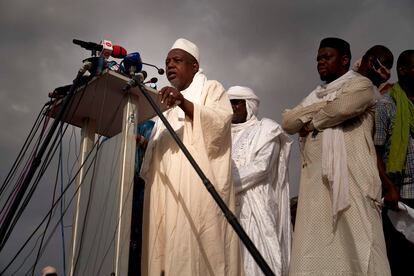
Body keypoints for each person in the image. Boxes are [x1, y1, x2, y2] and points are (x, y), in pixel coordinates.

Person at [282, 38, 393, 275]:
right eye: (319, 58)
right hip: (317, 182)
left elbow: (341, 109)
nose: (321, 62)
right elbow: (289, 121)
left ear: (344, 60)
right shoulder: (316, 94)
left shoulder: (362, 85)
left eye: (327, 57)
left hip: (354, 177)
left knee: (362, 243)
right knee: (316, 244)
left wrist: (311, 120)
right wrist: (323, 107)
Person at [140, 38, 242, 275]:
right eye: (167, 62)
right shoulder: (162, 103)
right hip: (165, 191)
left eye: (177, 60)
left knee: (194, 250)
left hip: (195, 188)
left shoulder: (211, 89)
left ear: (194, 66)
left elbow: (219, 124)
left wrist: (183, 102)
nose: (170, 65)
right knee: (163, 251)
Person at [228, 86, 292, 276]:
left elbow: (261, 167)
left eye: (236, 102)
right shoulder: (221, 134)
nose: (231, 107)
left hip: (256, 203)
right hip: (226, 203)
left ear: (248, 105)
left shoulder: (266, 129)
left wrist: (225, 183)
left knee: (257, 257)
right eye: (228, 102)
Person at [374, 49, 414, 276]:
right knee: (401, 260)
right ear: (403, 71)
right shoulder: (386, 106)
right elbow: (376, 152)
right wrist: (389, 187)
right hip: (400, 196)